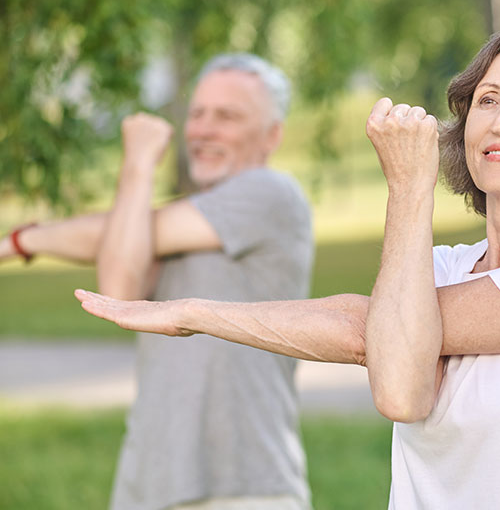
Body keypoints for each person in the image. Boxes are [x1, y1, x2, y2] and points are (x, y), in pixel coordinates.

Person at [76, 26, 500, 509]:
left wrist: (408, 186)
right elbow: (402, 386)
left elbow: (369, 336)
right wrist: (191, 311)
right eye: (487, 99)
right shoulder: (438, 269)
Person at [3, 53, 314, 510]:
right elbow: (119, 293)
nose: (204, 130)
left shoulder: (272, 194)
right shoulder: (161, 225)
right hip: (149, 480)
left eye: (226, 116)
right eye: (197, 113)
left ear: (272, 135)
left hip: (242, 484)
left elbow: (123, 244)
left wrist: (138, 163)